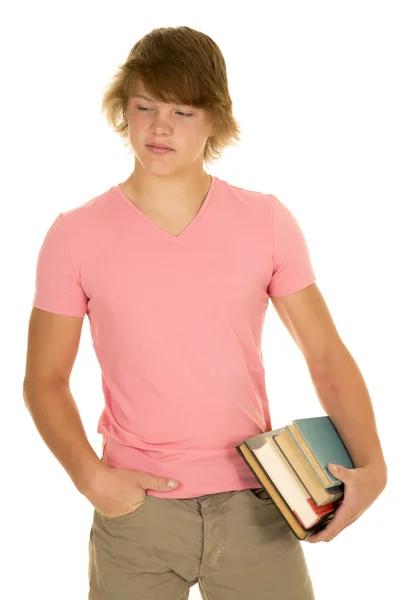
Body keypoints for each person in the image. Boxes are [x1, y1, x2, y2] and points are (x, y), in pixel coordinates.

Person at [23, 25, 387, 600]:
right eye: (144, 106)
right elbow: (44, 378)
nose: (160, 126)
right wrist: (93, 479)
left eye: (182, 111)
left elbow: (324, 353)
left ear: (215, 120)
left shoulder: (266, 221)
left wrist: (375, 467)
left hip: (258, 505)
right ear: (124, 110)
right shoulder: (74, 236)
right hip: (137, 515)